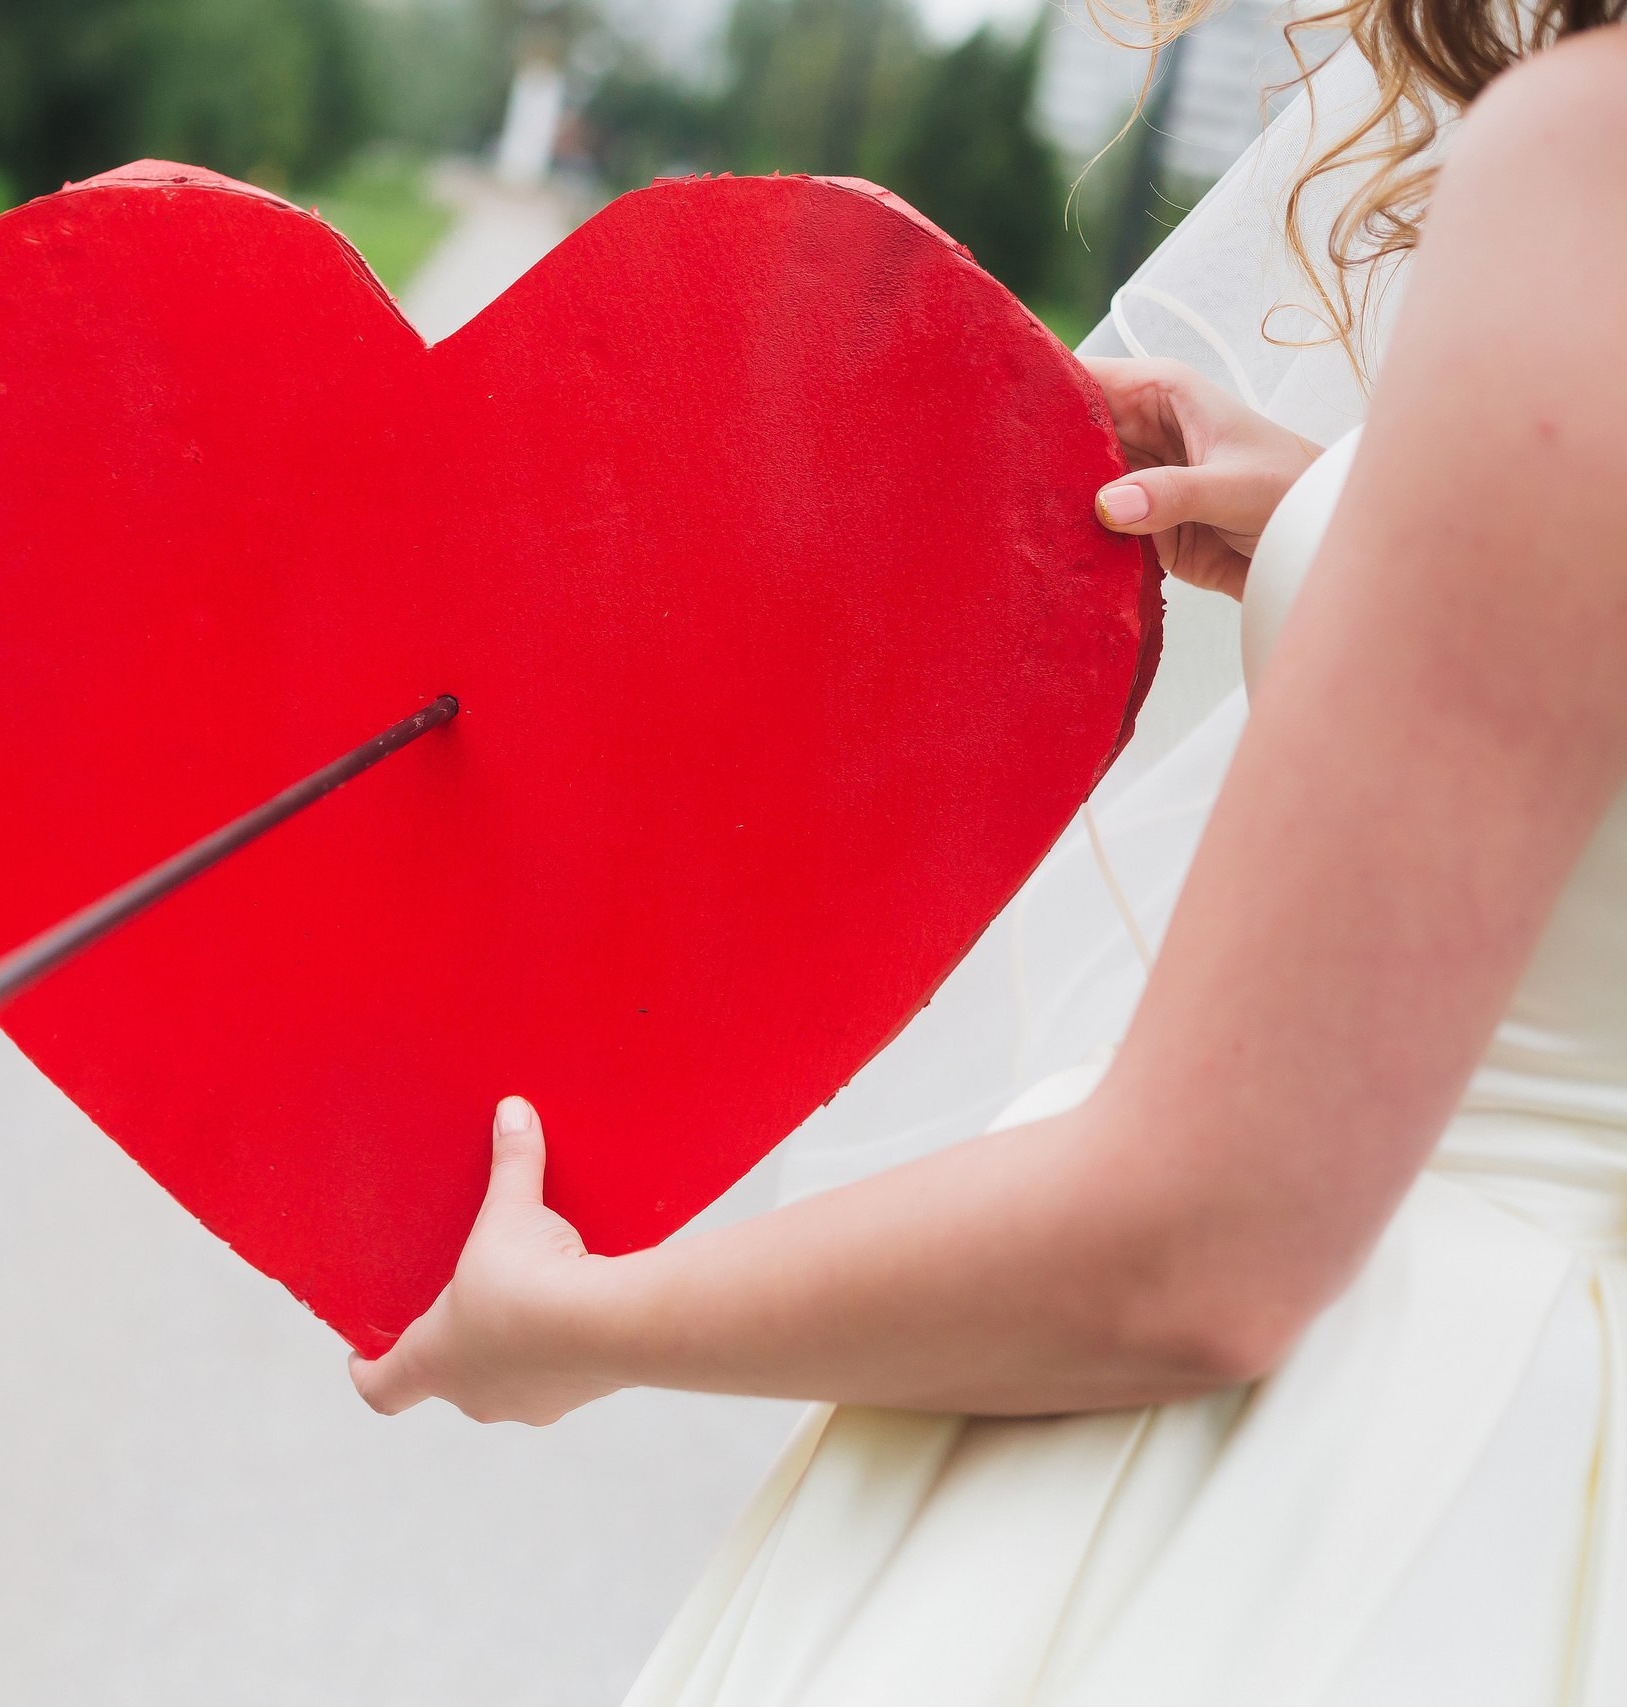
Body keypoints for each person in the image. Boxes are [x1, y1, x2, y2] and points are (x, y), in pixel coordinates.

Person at [347, 0, 1627, 1697]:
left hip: (1331, 1484)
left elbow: (1206, 1244)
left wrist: (588, 1323)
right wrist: (1362, 524)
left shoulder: (1590, 154)